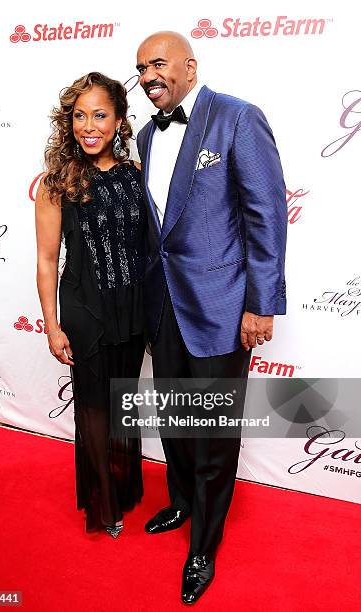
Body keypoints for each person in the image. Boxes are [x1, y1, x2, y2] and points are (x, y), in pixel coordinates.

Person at [135, 32, 287, 603]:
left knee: (214, 431)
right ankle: (180, 501)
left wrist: (260, 302)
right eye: (140, 67)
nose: (148, 74)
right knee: (174, 417)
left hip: (223, 305)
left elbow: (267, 215)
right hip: (164, 305)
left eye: (158, 63)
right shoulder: (148, 136)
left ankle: (205, 542)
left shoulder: (238, 118)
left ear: (189, 66)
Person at [35, 72, 147, 539]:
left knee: (123, 400)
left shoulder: (136, 175)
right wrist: (52, 326)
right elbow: (46, 259)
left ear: (119, 120)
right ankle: (104, 503)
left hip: (133, 307)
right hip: (85, 310)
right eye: (80, 115)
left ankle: (122, 486)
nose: (88, 125)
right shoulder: (55, 182)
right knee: (95, 407)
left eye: (100, 115)